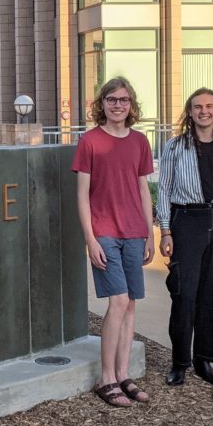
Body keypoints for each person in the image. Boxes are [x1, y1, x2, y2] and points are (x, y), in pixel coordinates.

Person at [72, 77, 155, 407]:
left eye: (123, 100)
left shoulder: (139, 142)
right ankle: (105, 378)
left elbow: (143, 190)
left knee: (131, 302)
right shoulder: (90, 141)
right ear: (101, 104)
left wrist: (150, 232)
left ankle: (122, 375)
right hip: (104, 232)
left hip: (135, 231)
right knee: (118, 302)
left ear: (131, 104)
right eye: (111, 99)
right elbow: (82, 196)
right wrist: (90, 239)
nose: (117, 105)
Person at [156, 88, 213, 387]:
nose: (203, 111)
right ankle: (179, 362)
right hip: (186, 222)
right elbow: (164, 189)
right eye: (197, 107)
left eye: (209, 106)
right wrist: (166, 230)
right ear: (189, 112)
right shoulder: (175, 147)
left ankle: (204, 360)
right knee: (184, 293)